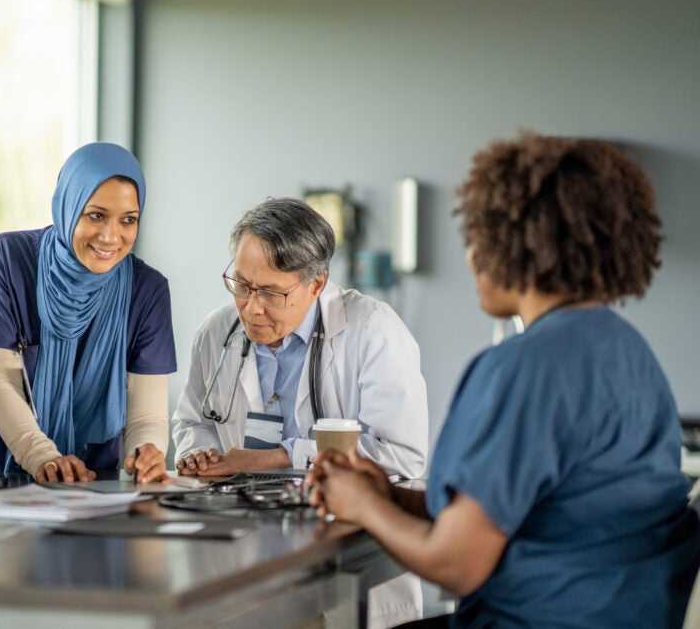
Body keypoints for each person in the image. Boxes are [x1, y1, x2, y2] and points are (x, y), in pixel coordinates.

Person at [308, 133, 700, 628]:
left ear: (519, 243)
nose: (471, 259)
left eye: (479, 239)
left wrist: (363, 506)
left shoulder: (525, 368)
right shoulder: (631, 353)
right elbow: (545, 517)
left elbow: (457, 565)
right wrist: (390, 494)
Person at [172, 197, 428, 479]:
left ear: (316, 284)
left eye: (271, 293)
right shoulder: (216, 332)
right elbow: (194, 423)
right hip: (239, 509)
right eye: (242, 285)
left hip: (338, 512)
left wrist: (283, 457)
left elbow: (401, 454)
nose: (252, 308)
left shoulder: (373, 330)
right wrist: (200, 454)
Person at [0, 142, 176, 484]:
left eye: (128, 220)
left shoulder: (148, 290)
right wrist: (43, 457)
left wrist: (145, 453)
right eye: (96, 215)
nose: (111, 237)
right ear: (68, 205)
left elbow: (147, 415)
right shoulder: (9, 259)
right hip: (4, 466)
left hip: (92, 477)